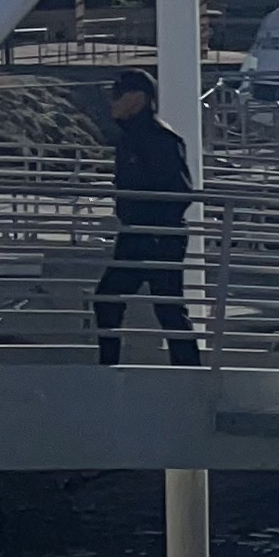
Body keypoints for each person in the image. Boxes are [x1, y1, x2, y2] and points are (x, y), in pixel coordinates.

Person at [90, 64, 197, 365]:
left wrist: (152, 227)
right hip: (136, 235)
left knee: (168, 309)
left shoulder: (163, 140)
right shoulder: (128, 140)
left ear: (137, 99)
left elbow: (180, 193)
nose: (111, 101)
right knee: (109, 299)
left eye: (117, 95)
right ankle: (109, 367)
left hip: (160, 238)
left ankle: (189, 375)